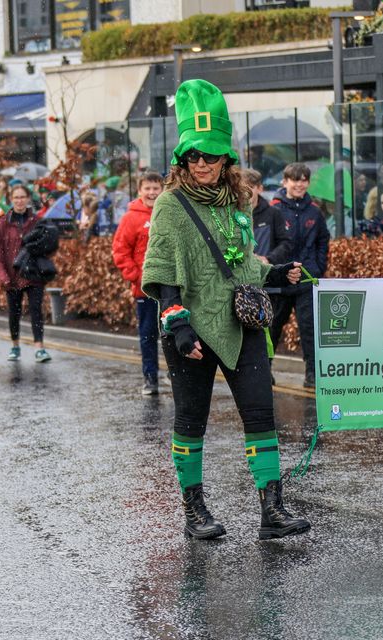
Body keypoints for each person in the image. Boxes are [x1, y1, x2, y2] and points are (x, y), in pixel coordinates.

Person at [141, 79, 310, 541]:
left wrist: (275, 274)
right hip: (190, 328)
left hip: (241, 321)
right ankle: (194, 511)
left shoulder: (236, 201)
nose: (202, 165)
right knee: (190, 421)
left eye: (210, 156)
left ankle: (271, 511)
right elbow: (160, 268)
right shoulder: (169, 206)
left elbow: (239, 263)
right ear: (182, 159)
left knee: (260, 413)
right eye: (194, 156)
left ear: (226, 159)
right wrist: (177, 325)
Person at [269, 163, 329, 388]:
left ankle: (312, 373)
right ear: (285, 182)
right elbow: (269, 241)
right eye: (295, 180)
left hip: (306, 279)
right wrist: (273, 269)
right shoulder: (274, 209)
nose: (300, 184)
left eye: (304, 179)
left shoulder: (315, 210)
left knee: (309, 327)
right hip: (281, 279)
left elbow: (323, 240)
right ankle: (266, 368)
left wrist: (318, 266)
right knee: (273, 325)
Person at [112, 171, 164, 395]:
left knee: (175, 333)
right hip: (145, 291)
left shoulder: (170, 213)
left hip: (172, 287)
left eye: (156, 188)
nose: (152, 193)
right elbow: (120, 251)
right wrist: (138, 277)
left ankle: (177, 374)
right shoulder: (130, 218)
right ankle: (150, 377)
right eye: (148, 188)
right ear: (140, 190)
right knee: (148, 335)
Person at [0, 184, 52, 364]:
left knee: (36, 310)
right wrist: (3, 276)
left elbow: (46, 245)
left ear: (28, 199)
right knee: (14, 312)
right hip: (12, 276)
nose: (19, 201)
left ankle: (39, 347)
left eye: (22, 197)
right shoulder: (3, 223)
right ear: (11, 199)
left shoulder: (36, 220)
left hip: (33, 274)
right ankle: (15, 345)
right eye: (16, 197)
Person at [243, 169, 293, 266]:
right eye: (242, 188)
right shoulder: (231, 214)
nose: (246, 192)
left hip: (267, 273)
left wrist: (268, 259)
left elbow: (286, 243)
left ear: (260, 189)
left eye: (250, 187)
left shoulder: (274, 213)